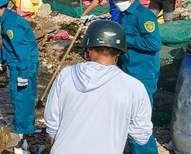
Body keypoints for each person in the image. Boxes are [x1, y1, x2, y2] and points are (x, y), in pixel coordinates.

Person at [44, 20, 153, 154]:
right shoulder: (134, 87)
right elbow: (141, 136)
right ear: (119, 52)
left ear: (89, 48)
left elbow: (52, 123)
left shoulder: (66, 75)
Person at [103, 0, 161, 154]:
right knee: (126, 116)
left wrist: (127, 40)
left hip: (143, 73)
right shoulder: (124, 14)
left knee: (139, 122)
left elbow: (154, 44)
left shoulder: (144, 16)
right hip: (127, 69)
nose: (115, 3)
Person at [0, 0, 39, 135]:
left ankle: (21, 133)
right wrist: (1, 60)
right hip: (24, 63)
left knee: (20, 99)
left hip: (22, 66)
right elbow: (8, 45)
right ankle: (28, 129)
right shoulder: (9, 19)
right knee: (27, 98)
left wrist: (23, 74)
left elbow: (22, 50)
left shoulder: (11, 25)